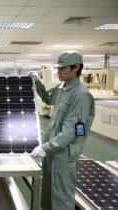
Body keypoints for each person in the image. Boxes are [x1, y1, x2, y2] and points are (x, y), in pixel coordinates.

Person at [28, 51, 95, 210]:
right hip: (52, 152)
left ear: (76, 68)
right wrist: (37, 82)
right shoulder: (61, 88)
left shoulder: (81, 96)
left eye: (63, 68)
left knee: (61, 198)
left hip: (64, 156)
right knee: (47, 193)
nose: (58, 72)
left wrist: (45, 147)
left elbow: (70, 132)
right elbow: (47, 98)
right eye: (57, 69)